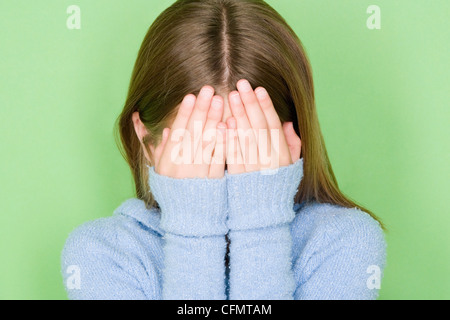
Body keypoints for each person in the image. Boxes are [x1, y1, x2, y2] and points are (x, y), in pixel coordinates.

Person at [61, 0, 386, 300]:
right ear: (147, 141)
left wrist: (262, 222)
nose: (223, 177)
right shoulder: (101, 256)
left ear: (291, 144)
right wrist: (192, 230)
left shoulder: (343, 243)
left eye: (249, 151)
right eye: (201, 150)